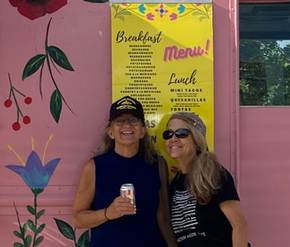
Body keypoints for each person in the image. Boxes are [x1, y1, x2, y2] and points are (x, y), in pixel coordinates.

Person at [73, 96, 171, 247]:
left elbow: (162, 217)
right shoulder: (94, 167)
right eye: (119, 120)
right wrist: (108, 213)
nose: (127, 125)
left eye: (134, 120)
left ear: (143, 131)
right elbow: (79, 219)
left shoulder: (158, 165)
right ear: (110, 132)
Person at [163, 112, 248, 247]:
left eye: (181, 133)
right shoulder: (175, 183)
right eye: (168, 134)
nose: (173, 138)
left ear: (196, 138)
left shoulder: (213, 173)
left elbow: (239, 224)